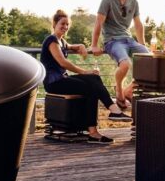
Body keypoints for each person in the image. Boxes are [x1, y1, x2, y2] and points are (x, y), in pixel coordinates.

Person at [42, 10, 132, 143]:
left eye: (67, 25)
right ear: (55, 24)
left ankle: (110, 114)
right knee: (90, 86)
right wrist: (84, 71)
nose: (65, 27)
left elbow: (72, 46)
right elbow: (63, 62)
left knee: (94, 79)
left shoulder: (62, 42)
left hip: (63, 79)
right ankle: (98, 127)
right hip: (54, 82)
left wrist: (81, 46)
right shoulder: (51, 40)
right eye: (62, 24)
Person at [90, 0, 149, 109]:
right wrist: (93, 45)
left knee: (150, 61)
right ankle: (119, 90)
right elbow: (98, 23)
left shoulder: (133, 1)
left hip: (129, 39)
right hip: (113, 40)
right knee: (125, 65)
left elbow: (138, 25)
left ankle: (129, 90)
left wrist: (142, 44)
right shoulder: (108, 0)